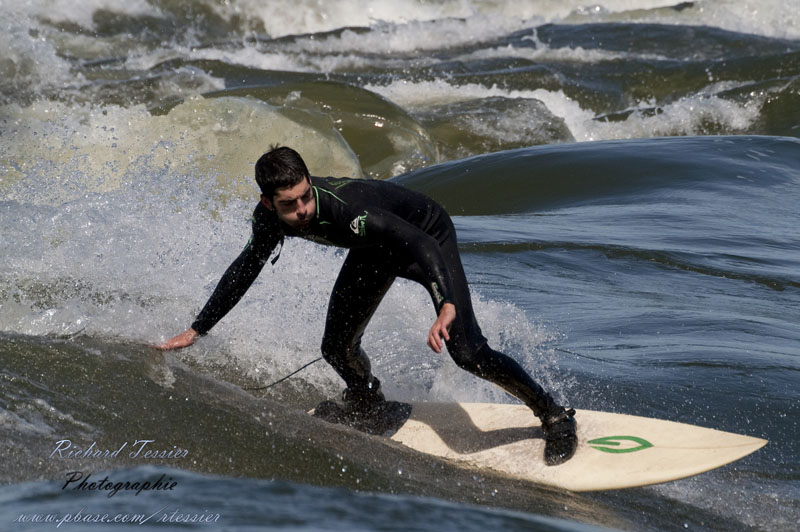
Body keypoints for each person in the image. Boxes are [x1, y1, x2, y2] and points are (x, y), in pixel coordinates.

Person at [156, 146, 577, 465]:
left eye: (304, 197)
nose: (302, 211)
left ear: (308, 182)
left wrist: (445, 302)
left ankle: (554, 415)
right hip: (374, 248)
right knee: (336, 347)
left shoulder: (346, 210)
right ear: (268, 202)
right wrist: (198, 328)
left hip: (423, 234)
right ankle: (367, 400)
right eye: (289, 204)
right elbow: (245, 268)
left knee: (467, 352)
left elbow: (420, 243)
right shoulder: (267, 220)